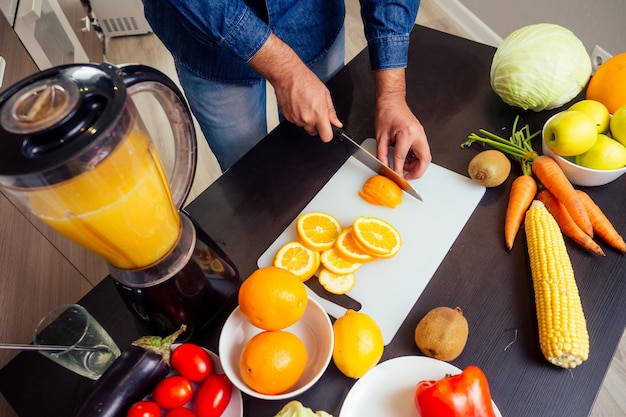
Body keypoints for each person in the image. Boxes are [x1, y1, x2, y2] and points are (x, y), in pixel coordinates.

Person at [144, 0, 431, 178]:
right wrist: (287, 71)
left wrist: (392, 95)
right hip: (206, 42)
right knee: (248, 177)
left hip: (311, 16)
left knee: (320, 158)